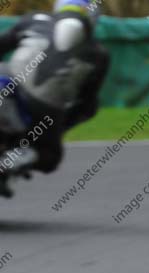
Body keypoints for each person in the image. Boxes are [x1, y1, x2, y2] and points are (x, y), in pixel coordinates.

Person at [0, 0, 109, 198]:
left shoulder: (33, 19)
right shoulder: (100, 54)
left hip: (10, 86)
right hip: (43, 109)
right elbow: (87, 104)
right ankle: (25, 153)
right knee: (50, 156)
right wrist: (60, 126)